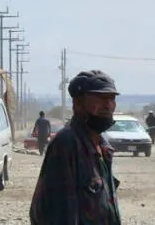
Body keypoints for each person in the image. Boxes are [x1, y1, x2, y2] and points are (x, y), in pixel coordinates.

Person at [29, 70, 122, 225]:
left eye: (111, 99)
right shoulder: (67, 144)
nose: (108, 105)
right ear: (77, 104)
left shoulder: (102, 146)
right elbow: (55, 214)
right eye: (100, 99)